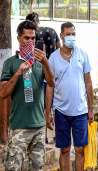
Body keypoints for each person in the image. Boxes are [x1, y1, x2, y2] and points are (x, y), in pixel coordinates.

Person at [0, 20, 55, 170]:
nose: (30, 42)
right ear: (19, 38)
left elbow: (51, 83)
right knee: (13, 168)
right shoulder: (10, 63)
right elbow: (3, 93)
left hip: (38, 127)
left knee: (37, 167)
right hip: (19, 128)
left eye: (33, 38)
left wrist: (45, 63)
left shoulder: (40, 62)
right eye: (26, 38)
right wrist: (18, 73)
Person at [45, 22, 94, 171]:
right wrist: (48, 112)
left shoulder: (82, 54)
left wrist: (91, 109)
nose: (71, 37)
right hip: (61, 112)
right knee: (64, 150)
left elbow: (88, 82)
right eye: (68, 34)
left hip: (80, 111)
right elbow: (49, 86)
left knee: (79, 150)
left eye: (73, 34)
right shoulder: (53, 58)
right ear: (61, 36)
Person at [26, 12, 61, 144]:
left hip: (39, 73)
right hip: (52, 73)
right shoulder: (51, 31)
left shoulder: (32, 36)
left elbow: (31, 55)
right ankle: (58, 134)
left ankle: (44, 136)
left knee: (41, 105)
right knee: (55, 104)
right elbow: (59, 49)